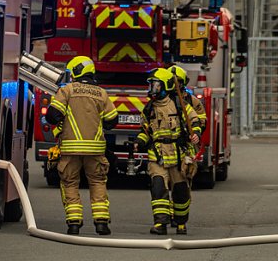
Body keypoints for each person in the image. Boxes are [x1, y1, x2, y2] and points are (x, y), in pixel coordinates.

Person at [45, 56, 119, 235]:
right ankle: (101, 223)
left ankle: (74, 224)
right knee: (98, 182)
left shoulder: (67, 91)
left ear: (77, 71)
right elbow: (112, 120)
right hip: (95, 149)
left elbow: (53, 115)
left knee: (70, 183)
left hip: (70, 149)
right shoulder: (101, 93)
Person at [135, 68, 202, 235]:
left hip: (178, 154)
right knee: (158, 188)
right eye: (150, 85)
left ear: (165, 86)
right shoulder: (149, 108)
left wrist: (196, 133)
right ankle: (160, 223)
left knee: (180, 191)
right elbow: (146, 131)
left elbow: (195, 120)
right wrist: (139, 142)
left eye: (155, 85)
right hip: (157, 155)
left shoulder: (179, 105)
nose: (152, 89)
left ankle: (180, 223)